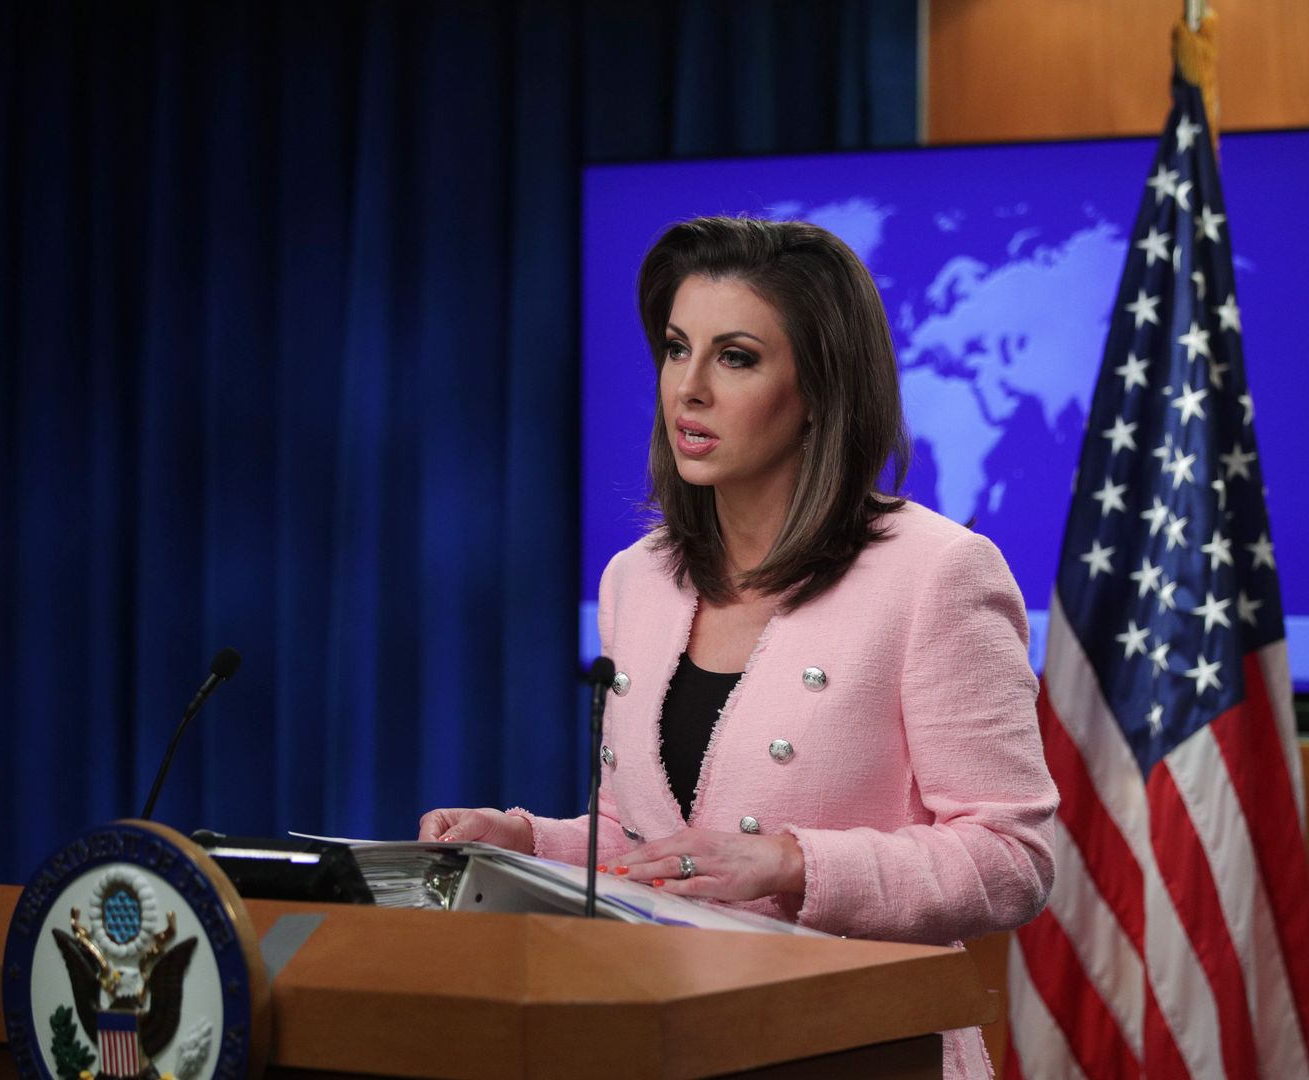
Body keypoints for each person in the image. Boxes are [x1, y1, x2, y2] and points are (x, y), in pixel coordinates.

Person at [419, 216, 1057, 1080]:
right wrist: (523, 844)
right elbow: (655, 843)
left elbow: (1010, 861)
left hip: (856, 1047)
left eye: (737, 357)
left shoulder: (938, 573)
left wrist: (798, 863)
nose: (688, 387)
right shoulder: (635, 580)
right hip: (667, 1040)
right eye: (678, 349)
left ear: (820, 390)